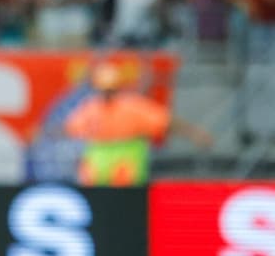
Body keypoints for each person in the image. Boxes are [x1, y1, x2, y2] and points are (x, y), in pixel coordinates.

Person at [64, 62, 212, 186]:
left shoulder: (133, 107)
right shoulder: (90, 108)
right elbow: (70, 129)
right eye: (103, 89)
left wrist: (194, 133)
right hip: (97, 175)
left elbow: (165, 122)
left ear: (117, 87)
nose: (107, 94)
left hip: (127, 171)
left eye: (110, 89)